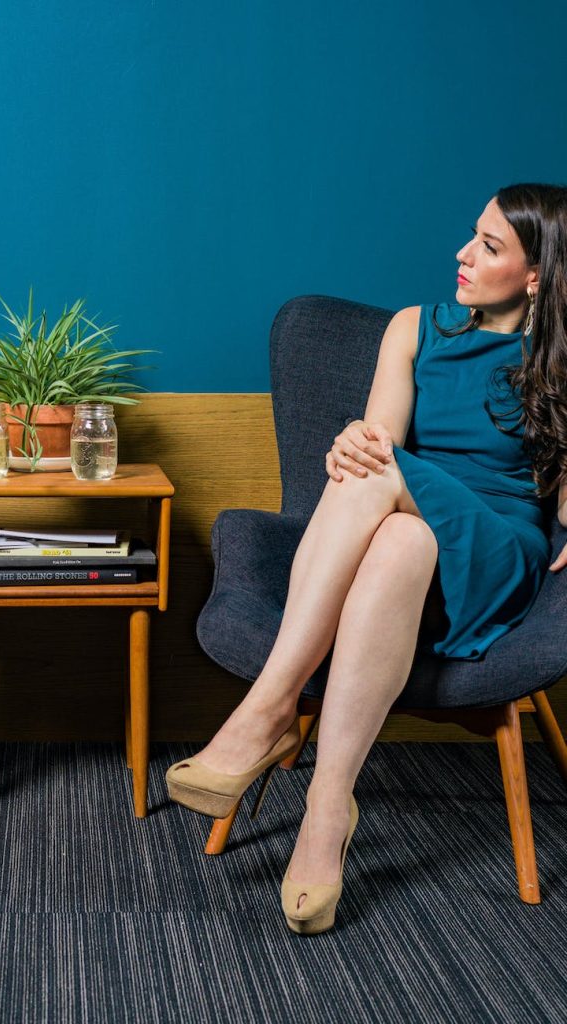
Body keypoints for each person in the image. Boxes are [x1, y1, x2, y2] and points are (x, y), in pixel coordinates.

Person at [166, 183, 567, 934]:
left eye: (488, 246)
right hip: (411, 538)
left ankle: (268, 708)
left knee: (379, 474)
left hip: (496, 546)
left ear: (538, 276)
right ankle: (328, 809)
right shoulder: (413, 328)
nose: (462, 253)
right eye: (472, 234)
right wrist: (352, 442)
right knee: (391, 514)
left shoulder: (560, 358)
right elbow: (378, 439)